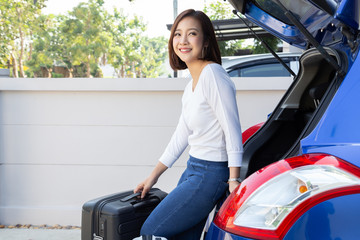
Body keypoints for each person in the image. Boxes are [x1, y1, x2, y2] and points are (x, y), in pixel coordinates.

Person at [134, 9, 243, 240]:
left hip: (211, 174)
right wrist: (154, 176)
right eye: (178, 34)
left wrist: (233, 179)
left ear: (205, 42)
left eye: (192, 33)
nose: (183, 41)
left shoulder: (213, 74)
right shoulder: (191, 85)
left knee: (151, 232)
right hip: (194, 169)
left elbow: (232, 129)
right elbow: (181, 135)